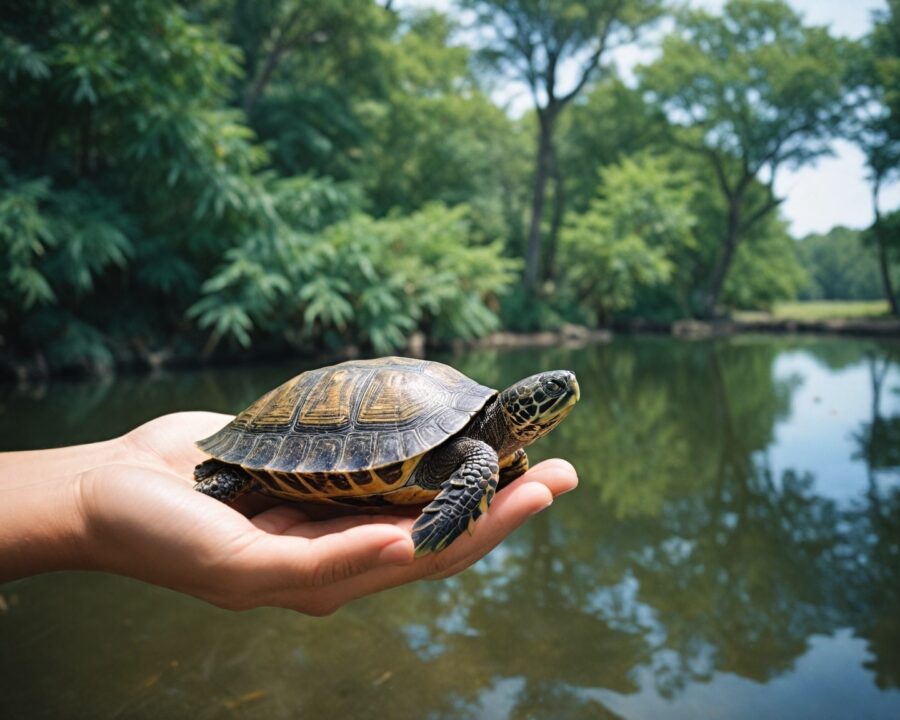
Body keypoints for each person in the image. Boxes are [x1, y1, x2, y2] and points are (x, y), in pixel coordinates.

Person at [0, 411, 577, 615]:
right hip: (318, 442)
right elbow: (474, 462)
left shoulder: (502, 451)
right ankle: (241, 470)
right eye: (546, 393)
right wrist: (88, 505)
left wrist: (88, 492)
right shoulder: (478, 452)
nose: (560, 393)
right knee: (232, 479)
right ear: (518, 406)